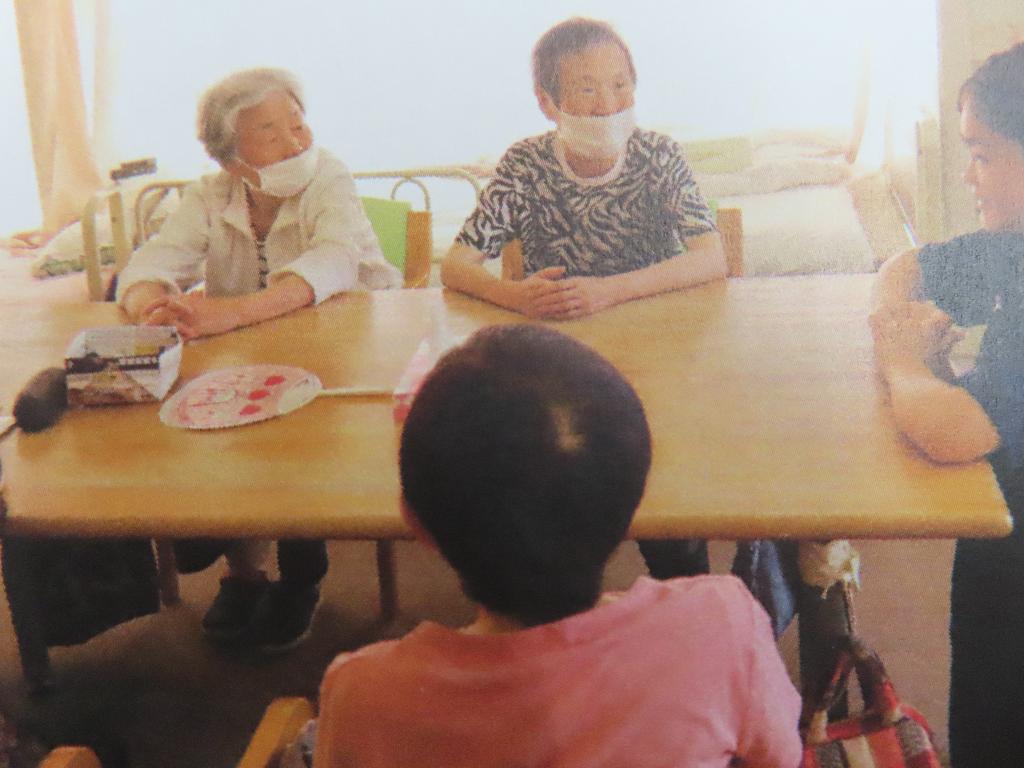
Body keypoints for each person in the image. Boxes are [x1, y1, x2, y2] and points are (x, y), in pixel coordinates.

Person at [314, 324, 802, 768]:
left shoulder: (361, 695)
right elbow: (780, 756)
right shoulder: (721, 624)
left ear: (415, 524)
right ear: (633, 503)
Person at [116, 67, 402, 652]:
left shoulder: (328, 176)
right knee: (222, 431)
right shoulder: (210, 195)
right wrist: (153, 306)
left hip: (348, 345)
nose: (296, 141)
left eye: (297, 123)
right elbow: (152, 263)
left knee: (306, 444)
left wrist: (232, 313)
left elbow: (335, 260)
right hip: (253, 350)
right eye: (271, 133)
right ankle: (243, 572)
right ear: (232, 159)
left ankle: (302, 579)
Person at [442, 16, 723, 580]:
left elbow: (712, 257)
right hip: (563, 358)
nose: (609, 104)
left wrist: (609, 291)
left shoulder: (658, 155)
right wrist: (514, 296)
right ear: (548, 102)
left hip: (656, 352)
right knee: (544, 483)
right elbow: (455, 265)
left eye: (621, 84)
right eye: (588, 89)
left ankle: (680, 576)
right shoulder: (525, 164)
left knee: (666, 498)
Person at [872, 42, 1024, 767]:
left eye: (983, 155)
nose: (968, 176)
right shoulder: (1013, 244)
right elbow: (907, 267)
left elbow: (956, 432)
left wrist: (904, 360)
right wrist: (900, 321)